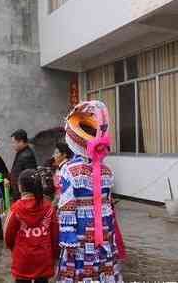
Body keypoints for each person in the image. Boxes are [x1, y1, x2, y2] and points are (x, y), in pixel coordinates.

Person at [57, 100, 123, 282]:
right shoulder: (106, 170)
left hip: (81, 230)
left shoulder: (69, 169)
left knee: (80, 267)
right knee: (103, 264)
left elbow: (67, 206)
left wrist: (67, 235)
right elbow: (108, 204)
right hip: (104, 227)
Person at [4, 169, 59, 283]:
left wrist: (15, 249)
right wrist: (54, 255)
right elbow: (55, 236)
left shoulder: (16, 208)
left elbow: (8, 236)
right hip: (43, 259)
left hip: (23, 259)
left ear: (20, 187)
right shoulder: (49, 207)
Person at [10, 129, 37, 202]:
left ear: (21, 142)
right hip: (18, 192)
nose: (12, 145)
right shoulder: (21, 152)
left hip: (22, 195)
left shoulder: (27, 155)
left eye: (14, 142)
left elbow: (29, 178)